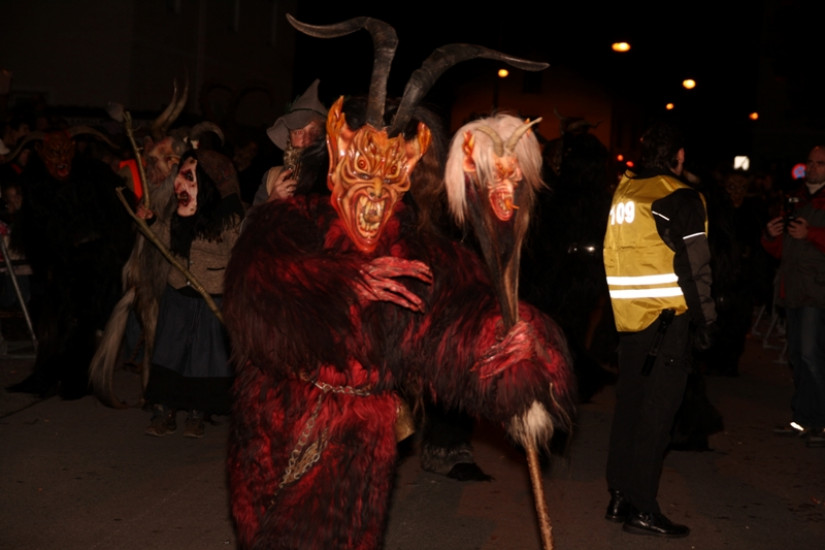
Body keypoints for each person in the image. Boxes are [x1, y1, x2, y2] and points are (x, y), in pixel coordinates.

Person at [222, 15, 576, 550]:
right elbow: (254, 296)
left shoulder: (417, 253)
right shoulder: (288, 223)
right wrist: (342, 284)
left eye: (390, 181)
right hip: (281, 433)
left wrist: (519, 341)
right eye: (363, 175)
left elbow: (456, 330)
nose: (375, 197)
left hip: (363, 451)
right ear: (336, 166)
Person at [601, 121, 717, 537]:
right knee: (656, 418)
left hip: (630, 321)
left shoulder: (625, 192)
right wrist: (706, 321)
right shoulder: (680, 196)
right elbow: (695, 266)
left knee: (629, 410)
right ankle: (643, 509)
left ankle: (619, 495)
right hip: (668, 323)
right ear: (679, 156)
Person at [137, 148, 244, 438]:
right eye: (179, 176)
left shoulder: (229, 219)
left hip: (211, 299)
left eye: (189, 177)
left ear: (207, 183)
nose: (178, 184)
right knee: (171, 353)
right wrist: (150, 222)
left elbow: (239, 255)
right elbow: (165, 239)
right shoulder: (178, 213)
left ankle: (198, 412)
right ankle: (165, 409)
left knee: (203, 358)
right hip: (178, 295)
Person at [763, 144, 825, 448]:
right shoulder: (796, 199)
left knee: (812, 355)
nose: (812, 168)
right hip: (793, 288)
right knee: (798, 357)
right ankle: (803, 418)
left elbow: (809, 239)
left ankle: (819, 420)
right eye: (810, 162)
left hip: (817, 290)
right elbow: (780, 250)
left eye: (820, 163)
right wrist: (771, 235)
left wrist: (810, 234)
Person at [251, 78, 327, 206]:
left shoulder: (339, 179)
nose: (306, 141)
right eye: (298, 132)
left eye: (313, 132)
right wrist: (272, 201)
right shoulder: (273, 178)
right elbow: (249, 219)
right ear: (289, 138)